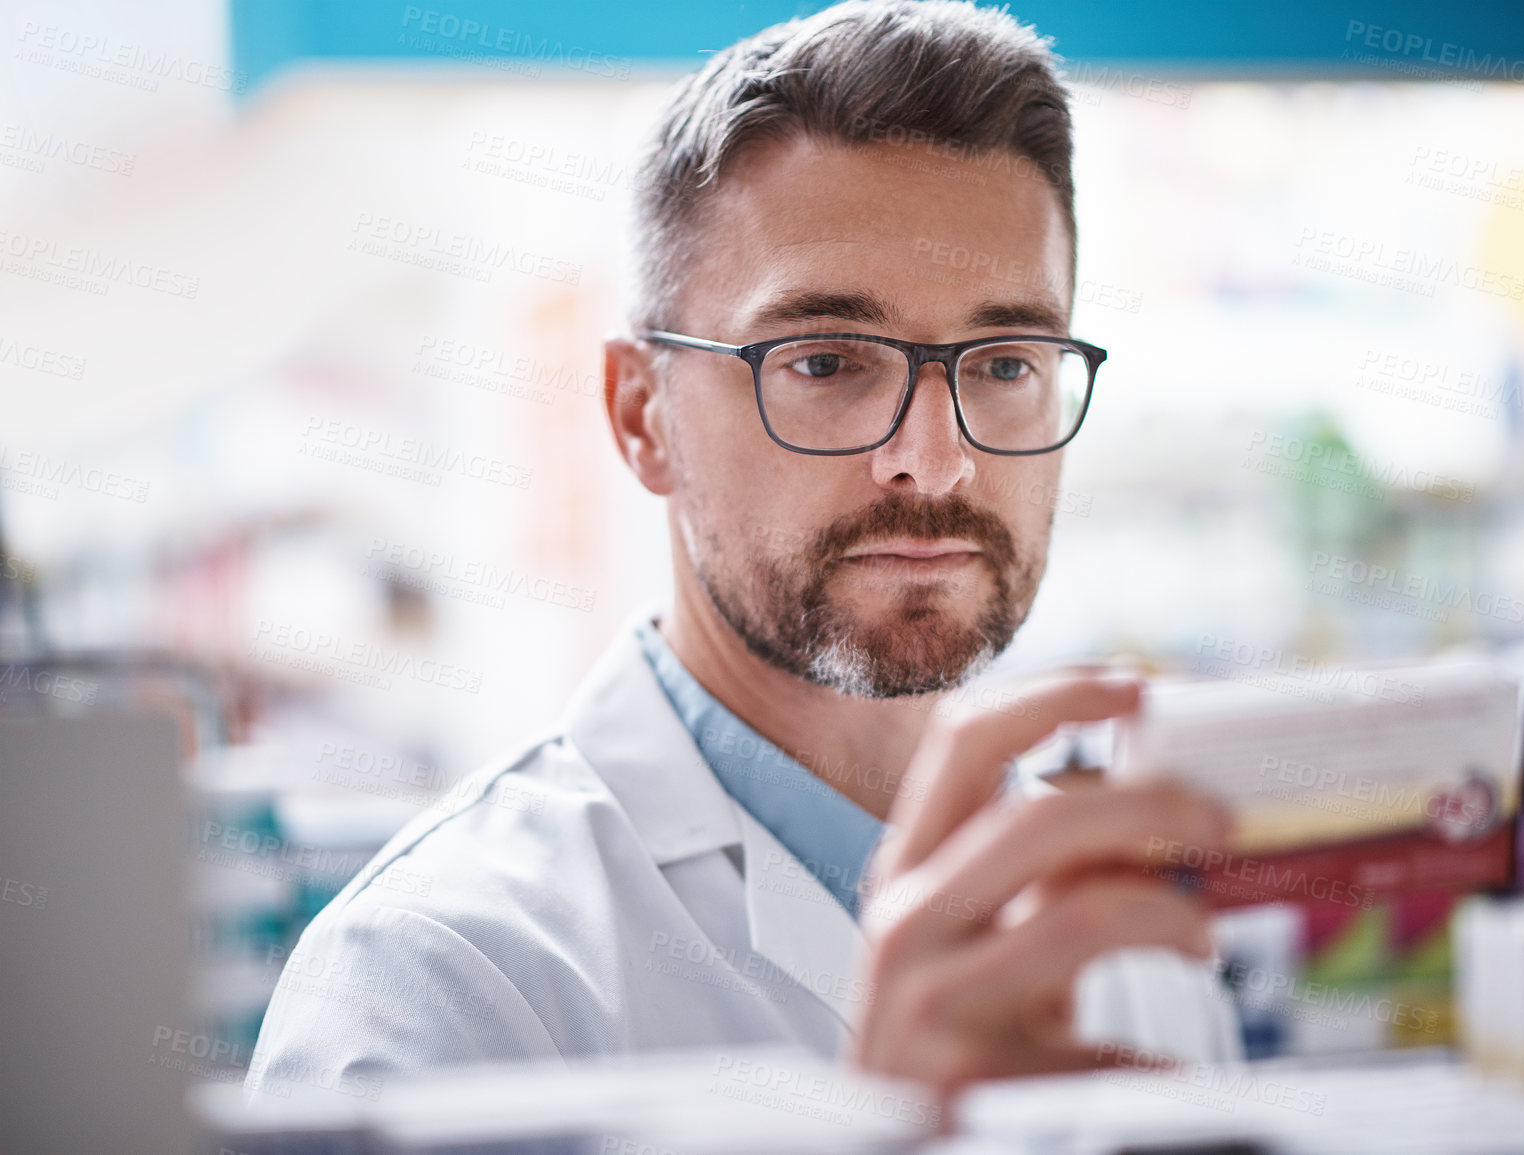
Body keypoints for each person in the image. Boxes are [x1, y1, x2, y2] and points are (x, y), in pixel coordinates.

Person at [245, 0, 1239, 1101]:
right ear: (642, 414)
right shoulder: (437, 983)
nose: (935, 459)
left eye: (1003, 363)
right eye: (825, 362)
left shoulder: (1123, 915)